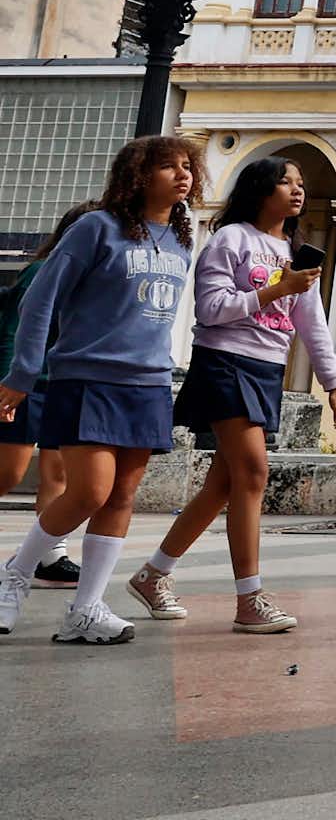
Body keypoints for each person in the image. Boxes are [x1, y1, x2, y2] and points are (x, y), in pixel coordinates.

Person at [129, 158, 336, 634]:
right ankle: (249, 598)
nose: (297, 191)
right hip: (225, 362)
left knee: (225, 484)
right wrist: (277, 289)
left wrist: (334, 384)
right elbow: (211, 311)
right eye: (285, 181)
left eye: (301, 183)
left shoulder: (293, 251)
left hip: (266, 370)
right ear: (259, 189)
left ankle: (153, 575)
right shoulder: (231, 239)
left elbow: (312, 324)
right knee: (254, 472)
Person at [0, 136, 199, 643]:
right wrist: (23, 374)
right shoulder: (97, 228)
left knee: (122, 495)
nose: (182, 175)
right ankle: (15, 576)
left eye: (187, 167)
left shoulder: (180, 239)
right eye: (168, 167)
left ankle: (85, 610)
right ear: (137, 175)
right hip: (86, 377)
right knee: (89, 491)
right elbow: (39, 302)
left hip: (149, 383)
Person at [0, 203, 104, 591]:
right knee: (8, 472)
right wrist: (10, 384)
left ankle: (51, 555)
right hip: (26, 383)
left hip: (63, 382)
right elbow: (16, 331)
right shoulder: (42, 272)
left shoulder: (92, 277)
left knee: (58, 472)